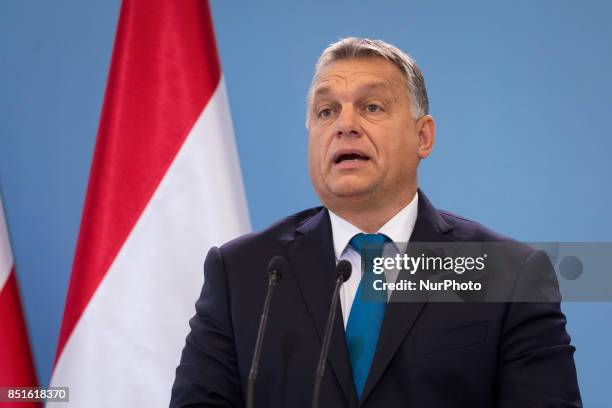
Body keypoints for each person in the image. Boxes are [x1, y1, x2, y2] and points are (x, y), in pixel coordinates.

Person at [170, 37, 581, 407]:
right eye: (326, 111)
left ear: (423, 137)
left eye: (372, 107)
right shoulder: (243, 272)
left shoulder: (507, 274)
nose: (345, 125)